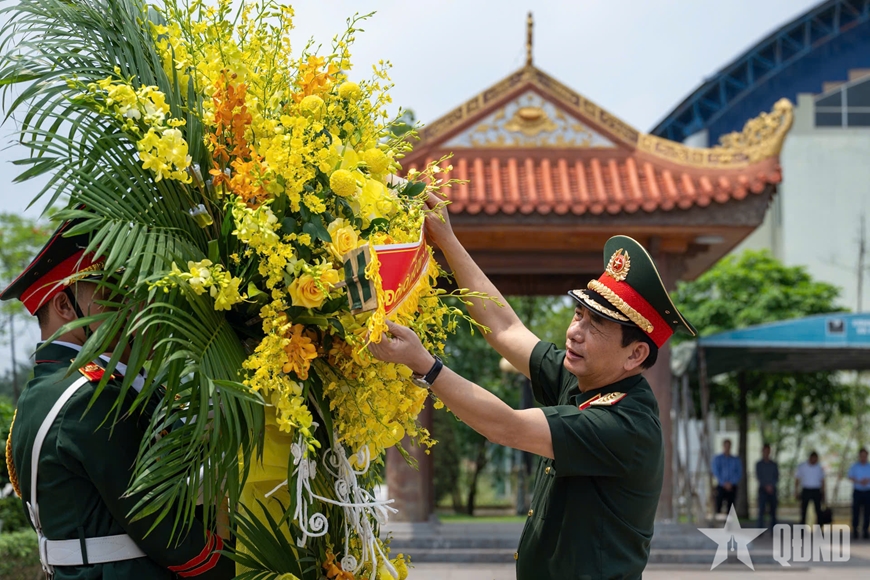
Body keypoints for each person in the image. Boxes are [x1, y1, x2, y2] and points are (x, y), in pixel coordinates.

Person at [368, 192, 696, 579]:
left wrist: (425, 365)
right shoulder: (583, 379)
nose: (575, 332)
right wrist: (448, 241)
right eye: (578, 314)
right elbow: (506, 328)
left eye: (596, 326)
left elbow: (506, 426)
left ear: (635, 354)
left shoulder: (625, 423)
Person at [2, 220, 234, 579]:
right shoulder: (90, 398)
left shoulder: (49, 391)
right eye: (116, 294)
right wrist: (246, 566)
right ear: (64, 306)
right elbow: (167, 533)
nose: (138, 307)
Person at [795, 451, 826, 526]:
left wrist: (823, 492)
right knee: (803, 510)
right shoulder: (802, 466)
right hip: (806, 489)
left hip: (816, 490)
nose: (815, 460)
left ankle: (819, 528)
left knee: (818, 510)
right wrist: (796, 491)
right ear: (810, 458)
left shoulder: (819, 467)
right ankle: (802, 528)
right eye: (813, 459)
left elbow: (823, 481)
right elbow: (797, 479)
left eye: (816, 459)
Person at [712, 439, 742, 515]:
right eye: (726, 446)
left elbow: (738, 473)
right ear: (723, 446)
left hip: (732, 486)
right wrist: (724, 483)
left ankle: (730, 521)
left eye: (728, 446)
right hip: (721, 485)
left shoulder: (735, 460)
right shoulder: (718, 459)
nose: (727, 448)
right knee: (718, 505)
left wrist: (731, 483)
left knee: (731, 508)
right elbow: (716, 472)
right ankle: (718, 520)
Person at [848, 447, 870, 539]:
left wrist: (867, 480)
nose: (863, 457)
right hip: (857, 491)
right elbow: (850, 477)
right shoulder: (854, 466)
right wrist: (859, 481)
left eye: (865, 456)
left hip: (868, 491)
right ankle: (855, 530)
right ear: (859, 456)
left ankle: (865, 530)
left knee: (867, 512)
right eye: (861, 456)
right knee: (856, 511)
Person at [756, 443, 779, 528]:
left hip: (772, 490)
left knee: (773, 511)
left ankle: (773, 529)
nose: (766, 453)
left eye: (768, 451)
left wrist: (771, 485)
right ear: (762, 452)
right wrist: (766, 486)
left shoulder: (774, 464)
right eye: (765, 451)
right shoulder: (759, 464)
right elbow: (759, 476)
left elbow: (776, 476)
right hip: (762, 489)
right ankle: (760, 529)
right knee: (761, 511)